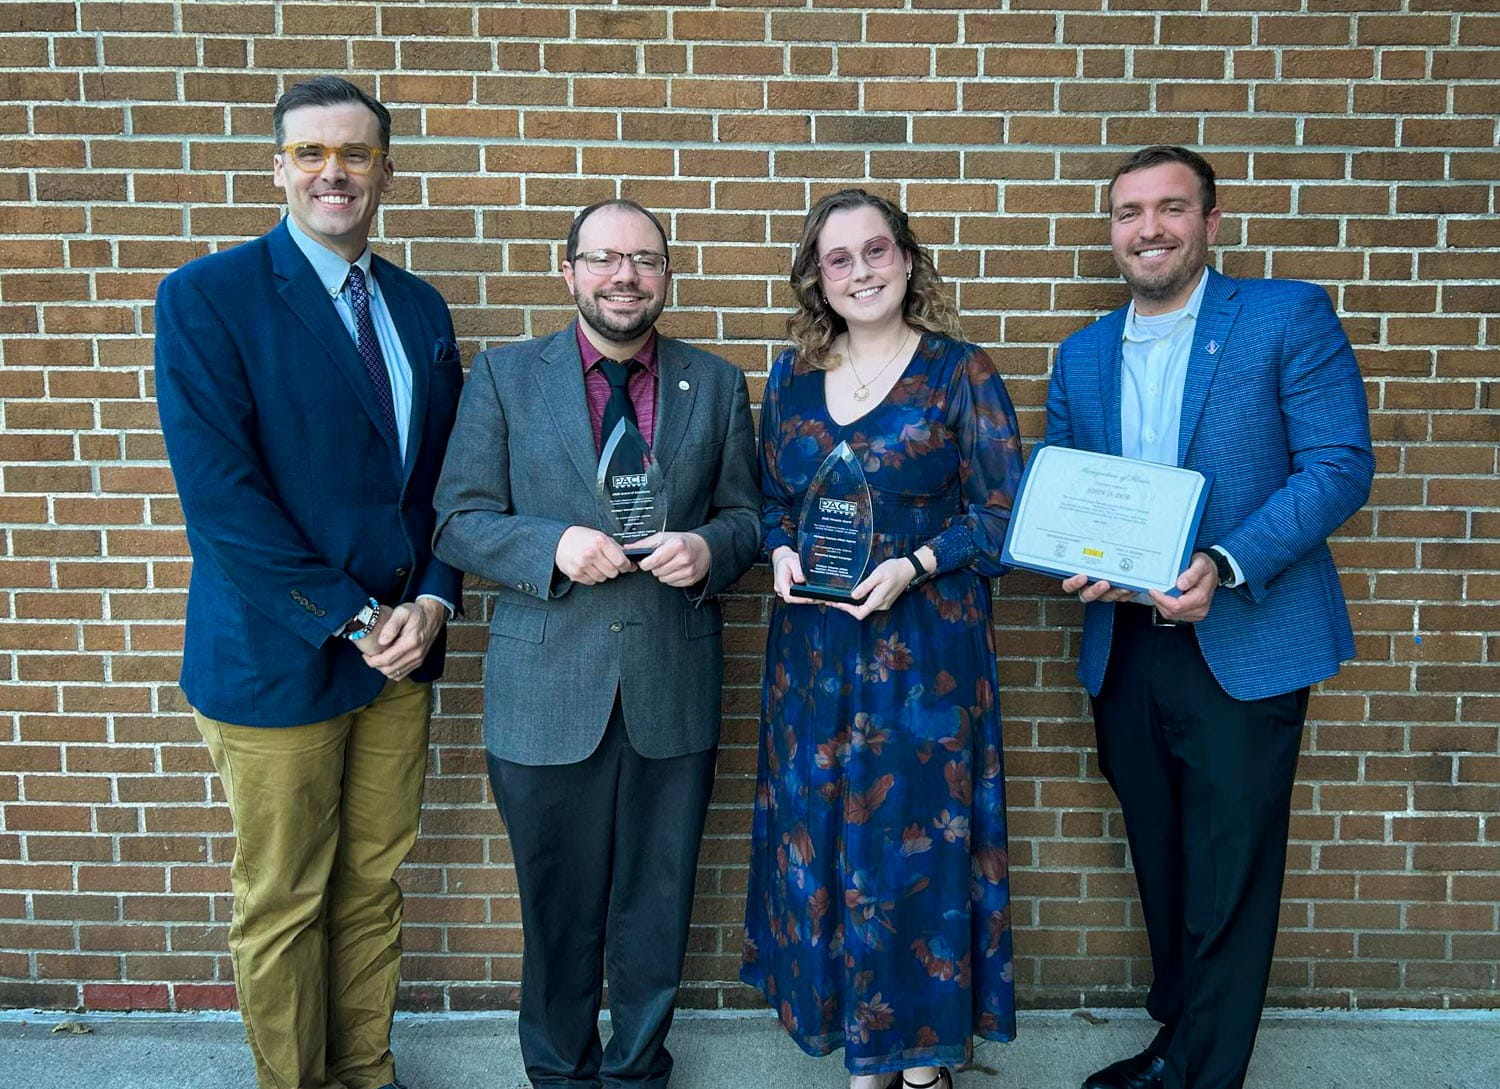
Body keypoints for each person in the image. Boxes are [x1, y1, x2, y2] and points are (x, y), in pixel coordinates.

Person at [153, 77, 463, 1089]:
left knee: (371, 886)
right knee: (285, 897)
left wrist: (434, 600)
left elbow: (447, 481)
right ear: (278, 167)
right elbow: (222, 500)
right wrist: (357, 614)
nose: (335, 172)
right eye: (312, 154)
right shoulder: (208, 297)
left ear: (386, 169)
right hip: (275, 655)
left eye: (356, 153)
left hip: (400, 658)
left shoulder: (418, 307)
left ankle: (366, 1073)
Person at [1046, 146, 1374, 1089]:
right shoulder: (1084, 353)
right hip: (1126, 650)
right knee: (1163, 854)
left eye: (1170, 208)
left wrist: (1225, 564)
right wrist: (1083, 561)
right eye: (1128, 212)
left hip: (1244, 636)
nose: (1148, 228)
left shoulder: (1283, 317)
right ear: (1112, 232)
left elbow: (1338, 464)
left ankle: (1204, 1074)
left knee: (1229, 870)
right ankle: (1177, 1043)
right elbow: (1073, 488)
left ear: (1210, 222)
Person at [431, 198, 760, 1089]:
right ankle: (559, 1072)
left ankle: (638, 1069)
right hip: (546, 691)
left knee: (656, 907)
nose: (626, 277)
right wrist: (551, 545)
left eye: (646, 260)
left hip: (671, 681)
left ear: (667, 273)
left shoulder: (716, 384)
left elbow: (747, 516)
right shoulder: (503, 378)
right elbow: (457, 520)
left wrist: (713, 548)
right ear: (567, 268)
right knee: (558, 908)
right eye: (606, 259)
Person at [742, 189, 1024, 1089]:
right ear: (817, 280)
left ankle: (921, 1058)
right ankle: (862, 1052)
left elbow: (1005, 516)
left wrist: (921, 561)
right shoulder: (790, 376)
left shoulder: (959, 372)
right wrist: (780, 545)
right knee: (831, 842)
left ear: (907, 259)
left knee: (912, 847)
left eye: (876, 251)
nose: (861, 271)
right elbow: (762, 498)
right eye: (839, 259)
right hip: (814, 662)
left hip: (924, 662)